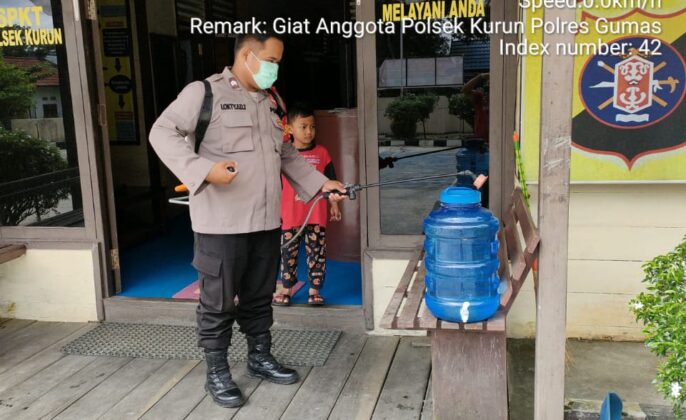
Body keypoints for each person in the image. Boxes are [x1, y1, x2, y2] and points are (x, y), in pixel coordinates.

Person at [148, 33, 346, 409]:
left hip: (266, 221)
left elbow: (286, 153)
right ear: (246, 56)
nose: (275, 69)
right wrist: (202, 170)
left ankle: (259, 357)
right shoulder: (204, 92)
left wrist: (322, 184)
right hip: (221, 224)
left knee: (259, 296)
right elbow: (161, 132)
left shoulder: (272, 101)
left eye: (278, 62)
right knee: (218, 302)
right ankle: (217, 371)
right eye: (271, 60)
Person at [273, 103, 341, 307]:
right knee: (288, 254)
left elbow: (332, 183)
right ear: (289, 129)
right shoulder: (283, 155)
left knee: (317, 254)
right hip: (289, 216)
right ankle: (287, 289)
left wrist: (334, 205)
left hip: (316, 216)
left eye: (312, 127)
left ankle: (314, 290)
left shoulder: (322, 153)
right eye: (303, 127)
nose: (309, 131)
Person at [462, 72, 490, 144]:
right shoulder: (480, 98)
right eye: (487, 87)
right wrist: (479, 77)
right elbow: (465, 90)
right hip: (481, 141)